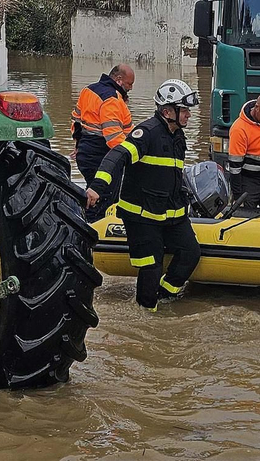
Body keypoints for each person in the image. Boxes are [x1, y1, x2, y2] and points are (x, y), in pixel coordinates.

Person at [85, 79, 202, 310]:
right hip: (141, 215)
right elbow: (116, 157)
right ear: (168, 111)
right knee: (151, 266)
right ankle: (146, 312)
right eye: (185, 110)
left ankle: (165, 295)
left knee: (191, 253)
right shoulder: (146, 133)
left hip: (170, 214)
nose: (189, 115)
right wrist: (97, 187)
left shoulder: (177, 135)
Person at [72, 64, 135, 217]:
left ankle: (84, 223)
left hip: (85, 154)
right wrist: (134, 155)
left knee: (92, 197)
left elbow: (76, 122)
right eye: (129, 84)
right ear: (119, 80)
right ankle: (95, 234)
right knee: (102, 203)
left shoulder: (88, 90)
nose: (131, 88)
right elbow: (114, 138)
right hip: (101, 158)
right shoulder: (111, 99)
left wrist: (78, 145)